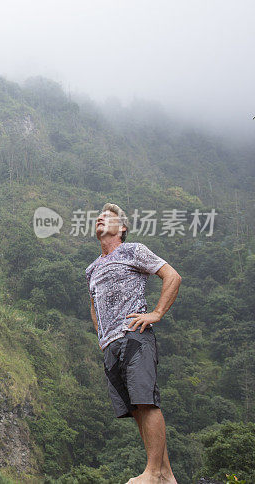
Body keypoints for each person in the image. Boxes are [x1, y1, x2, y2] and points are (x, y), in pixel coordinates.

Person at [85, 203, 182, 484]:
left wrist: (156, 314)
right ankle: (165, 475)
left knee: (146, 401)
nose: (100, 219)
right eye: (98, 217)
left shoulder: (133, 250)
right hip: (111, 345)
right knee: (136, 408)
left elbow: (172, 276)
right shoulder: (91, 269)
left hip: (135, 336)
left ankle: (153, 472)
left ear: (122, 228)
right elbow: (95, 305)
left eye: (108, 217)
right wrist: (101, 337)